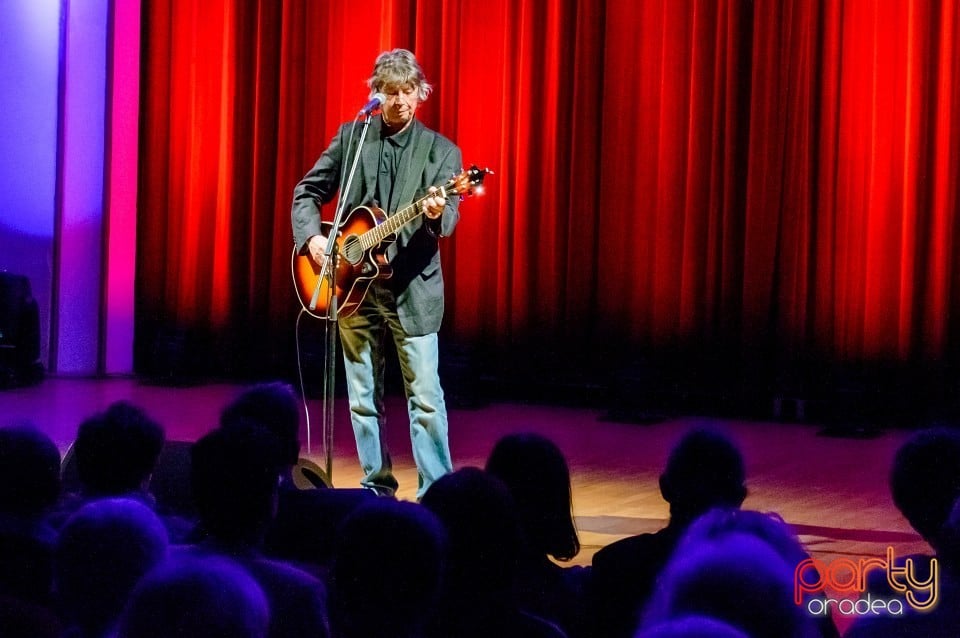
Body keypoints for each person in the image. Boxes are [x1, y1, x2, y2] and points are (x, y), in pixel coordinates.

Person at [292, 48, 461, 499]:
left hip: (412, 292)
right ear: (376, 95)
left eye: (408, 91)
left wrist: (433, 211)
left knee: (425, 398)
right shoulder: (353, 137)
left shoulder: (441, 152)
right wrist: (313, 240)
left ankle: (437, 493)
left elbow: (446, 222)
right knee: (363, 397)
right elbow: (306, 192)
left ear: (421, 94)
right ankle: (375, 487)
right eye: (390, 92)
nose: (400, 100)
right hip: (351, 287)